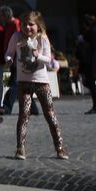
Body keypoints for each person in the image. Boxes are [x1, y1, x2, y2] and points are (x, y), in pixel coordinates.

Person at [5, 11, 67, 161]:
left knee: (50, 114)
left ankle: (60, 147)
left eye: (31, 24)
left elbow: (49, 61)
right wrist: (8, 59)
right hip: (24, 82)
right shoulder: (17, 37)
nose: (28, 27)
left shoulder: (43, 38)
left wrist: (37, 55)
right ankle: (20, 148)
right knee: (24, 115)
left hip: (41, 82)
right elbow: (9, 52)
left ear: (38, 26)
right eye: (25, 24)